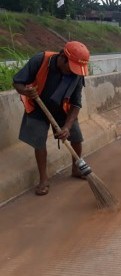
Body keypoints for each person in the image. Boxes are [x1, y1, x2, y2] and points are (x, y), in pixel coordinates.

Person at [13, 41, 90, 196]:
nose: (73, 72)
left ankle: (76, 168)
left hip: (62, 108)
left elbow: (76, 104)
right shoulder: (40, 60)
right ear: (62, 57)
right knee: (39, 140)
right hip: (38, 106)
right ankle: (44, 179)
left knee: (76, 137)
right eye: (71, 67)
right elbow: (17, 82)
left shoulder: (77, 75)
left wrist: (67, 127)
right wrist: (27, 92)